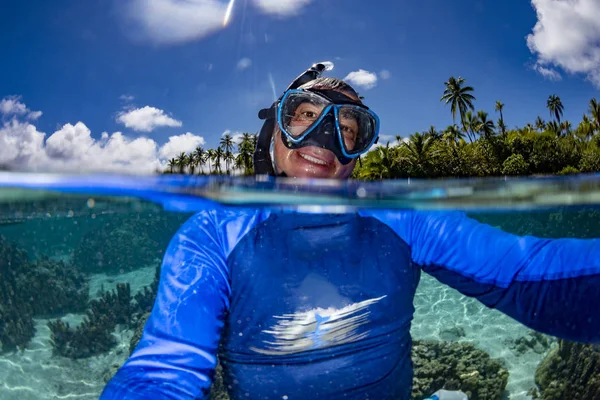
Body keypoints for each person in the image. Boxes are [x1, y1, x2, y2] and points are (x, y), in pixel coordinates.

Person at [100, 63, 600, 400]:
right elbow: (164, 369)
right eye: (304, 119)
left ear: (357, 157)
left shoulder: (403, 220)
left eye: (348, 129)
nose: (323, 140)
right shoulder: (212, 235)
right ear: (272, 138)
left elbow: (530, 273)